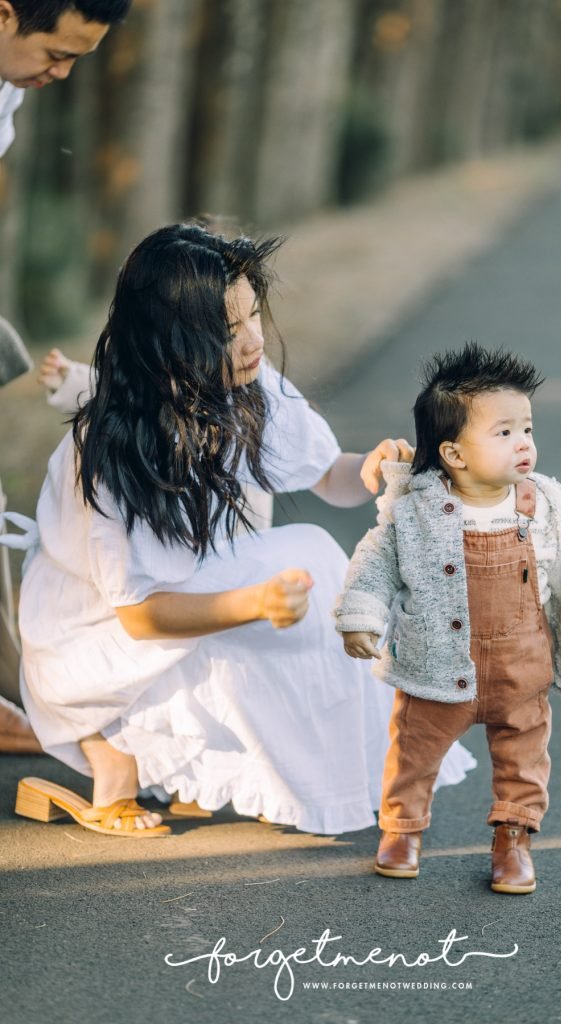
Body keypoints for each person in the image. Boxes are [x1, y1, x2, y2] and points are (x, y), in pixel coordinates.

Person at [12, 222, 475, 838]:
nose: (254, 339)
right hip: (91, 640)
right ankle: (110, 750)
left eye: (254, 314)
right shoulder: (111, 448)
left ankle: (344, 773)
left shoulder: (247, 388)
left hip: (188, 594)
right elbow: (139, 616)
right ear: (170, 343)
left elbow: (326, 476)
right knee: (301, 561)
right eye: (228, 330)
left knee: (316, 567)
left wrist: (365, 470)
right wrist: (252, 604)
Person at [335, 344, 561, 892]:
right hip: (435, 666)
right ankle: (403, 830)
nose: (524, 444)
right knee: (415, 751)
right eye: (504, 433)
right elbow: (376, 562)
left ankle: (513, 838)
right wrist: (361, 616)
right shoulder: (417, 508)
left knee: (523, 757)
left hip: (521, 666)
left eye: (527, 429)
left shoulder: (543, 503)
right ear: (454, 453)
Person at [0, 0, 132, 749]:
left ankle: (9, 684)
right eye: (56, 53)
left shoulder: (8, 87)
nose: (61, 73)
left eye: (77, 58)